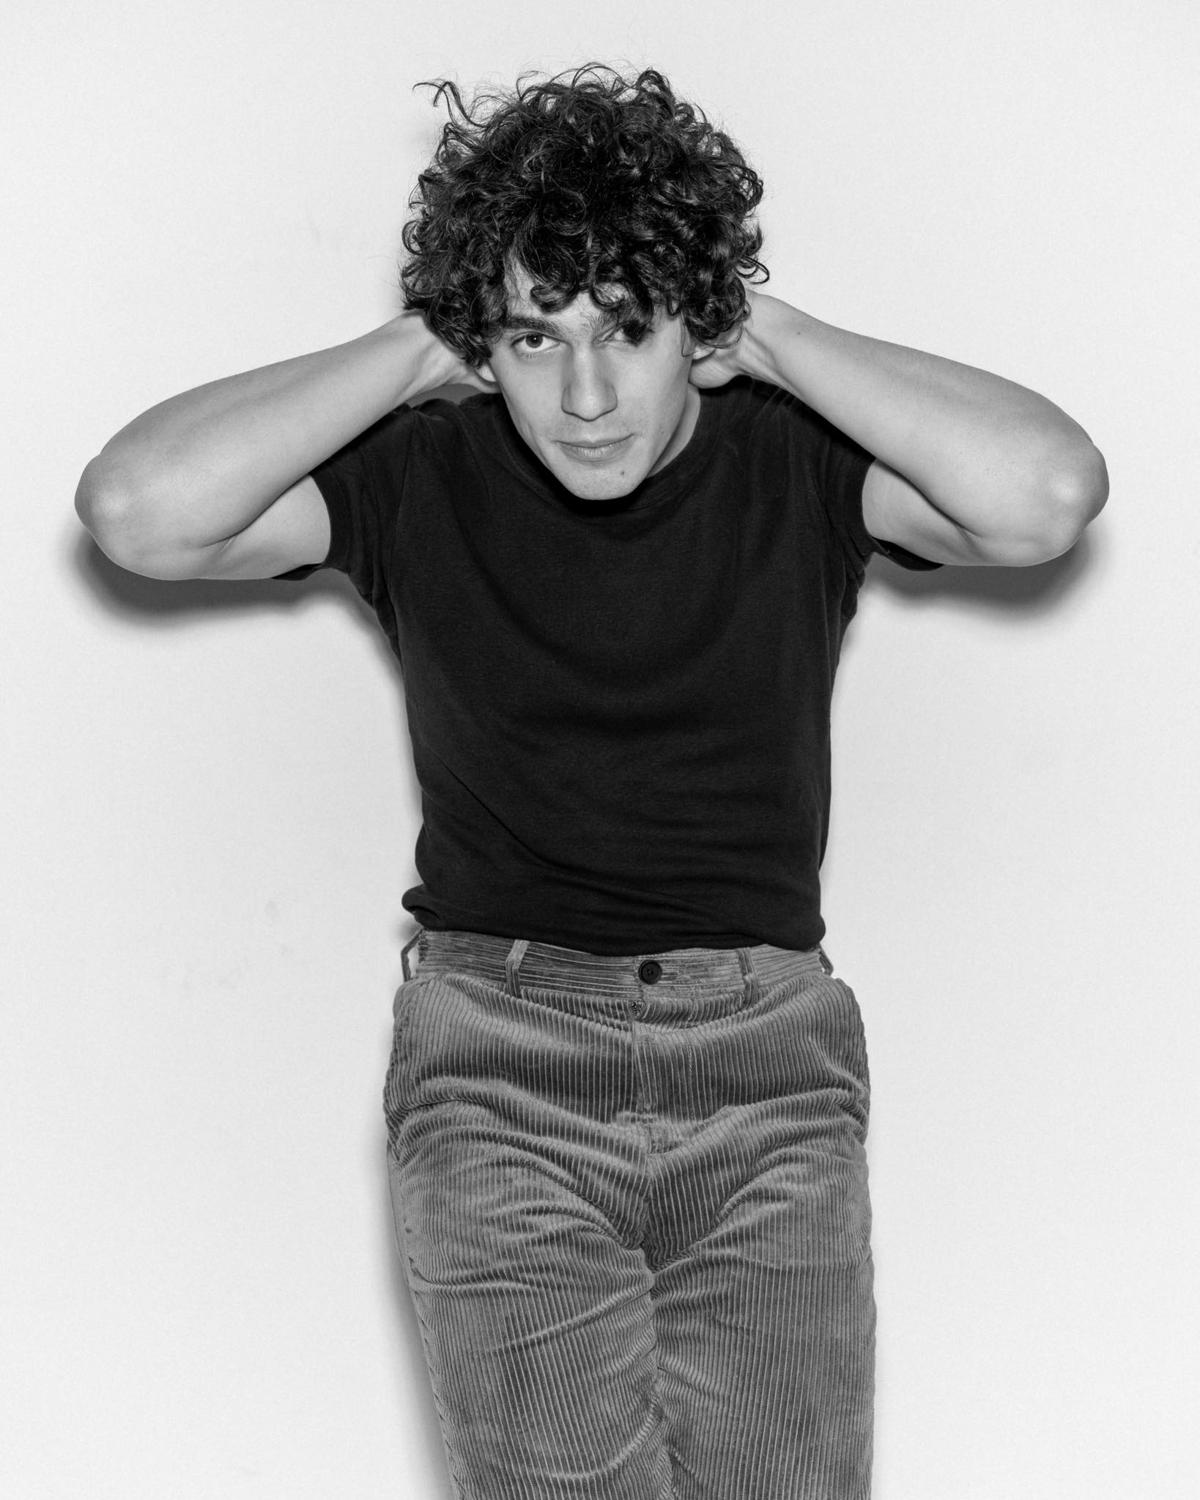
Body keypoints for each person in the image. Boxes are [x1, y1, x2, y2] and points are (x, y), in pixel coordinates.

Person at [75, 65, 1107, 1500]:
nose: (585, 394)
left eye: (630, 325)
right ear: (482, 343)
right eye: (533, 335)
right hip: (498, 1070)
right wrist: (418, 350)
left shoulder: (796, 462)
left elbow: (1044, 496)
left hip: (768, 1074)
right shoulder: (422, 472)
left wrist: (772, 333)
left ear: (700, 326)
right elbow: (138, 513)